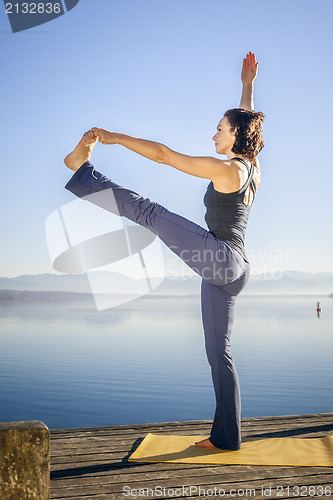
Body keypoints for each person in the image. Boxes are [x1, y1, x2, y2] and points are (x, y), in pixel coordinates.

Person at [64, 51, 265, 451]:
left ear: (234, 136)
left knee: (150, 213)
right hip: (231, 271)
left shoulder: (227, 169)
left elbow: (164, 155)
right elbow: (247, 117)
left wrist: (115, 137)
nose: (214, 135)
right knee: (218, 353)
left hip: (221, 258)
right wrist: (247, 86)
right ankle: (226, 437)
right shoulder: (252, 164)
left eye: (219, 130)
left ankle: (83, 172)